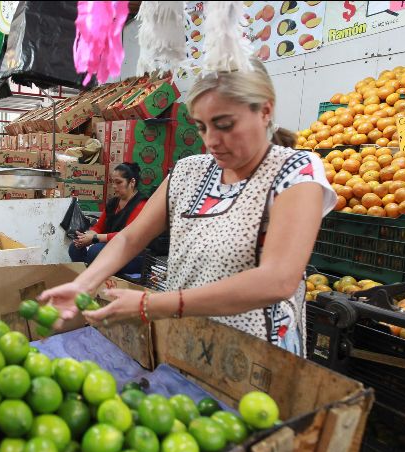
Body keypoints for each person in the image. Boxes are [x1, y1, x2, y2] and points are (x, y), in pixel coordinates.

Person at [40, 57, 337, 357]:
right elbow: (131, 237)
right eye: (202, 127)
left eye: (224, 125)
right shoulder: (188, 172)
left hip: (256, 354)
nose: (211, 141)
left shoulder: (296, 172)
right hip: (189, 341)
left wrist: (152, 305)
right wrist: (84, 285)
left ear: (265, 110)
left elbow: (278, 280)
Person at [69, 164, 147, 275]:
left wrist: (94, 238)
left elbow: (127, 235)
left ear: (132, 182)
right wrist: (86, 236)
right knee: (75, 246)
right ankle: (84, 281)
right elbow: (99, 227)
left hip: (132, 254)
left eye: (119, 182)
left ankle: (94, 282)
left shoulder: (141, 204)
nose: (114, 186)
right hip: (112, 247)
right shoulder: (113, 203)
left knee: (96, 251)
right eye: (112, 182)